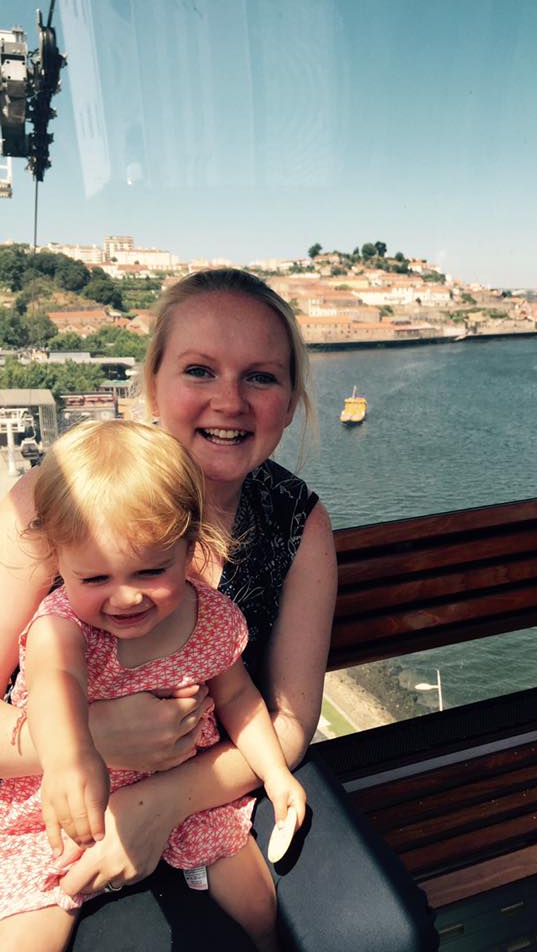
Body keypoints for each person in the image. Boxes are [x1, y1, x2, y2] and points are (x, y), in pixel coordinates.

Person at [0, 269, 336, 950]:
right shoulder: (56, 502)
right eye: (199, 370)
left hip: (205, 798)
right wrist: (89, 742)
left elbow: (288, 720)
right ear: (151, 382)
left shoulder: (296, 521)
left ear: (291, 402)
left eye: (262, 378)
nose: (230, 400)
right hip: (46, 807)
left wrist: (160, 802)